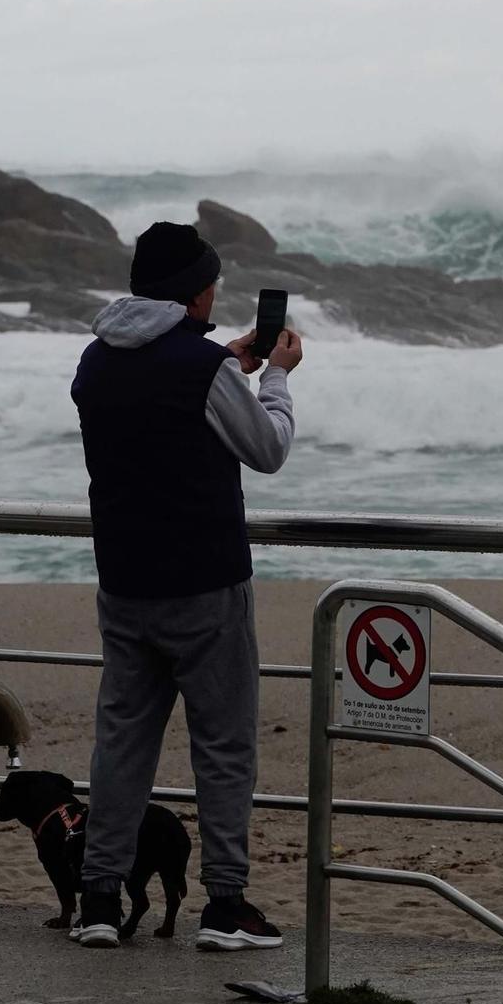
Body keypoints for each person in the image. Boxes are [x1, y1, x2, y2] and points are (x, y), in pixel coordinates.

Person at [67, 220, 302, 951]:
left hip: (125, 583)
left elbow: (158, 396)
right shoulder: (201, 368)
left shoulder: (94, 364)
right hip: (205, 585)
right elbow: (267, 448)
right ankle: (225, 904)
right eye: (211, 285)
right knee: (223, 747)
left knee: (122, 746)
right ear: (195, 292)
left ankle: (100, 899)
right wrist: (274, 376)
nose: (214, 296)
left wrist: (220, 365)